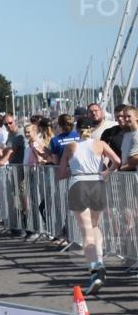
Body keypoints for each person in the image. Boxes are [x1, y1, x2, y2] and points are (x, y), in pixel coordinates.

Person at [58, 117, 120, 294]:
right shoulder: (100, 144)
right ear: (91, 129)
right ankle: (100, 262)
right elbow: (117, 161)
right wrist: (107, 172)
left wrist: (72, 170)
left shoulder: (70, 146)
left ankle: (95, 271)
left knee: (86, 231)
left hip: (79, 183)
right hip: (97, 182)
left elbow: (61, 173)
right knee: (95, 226)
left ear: (77, 130)